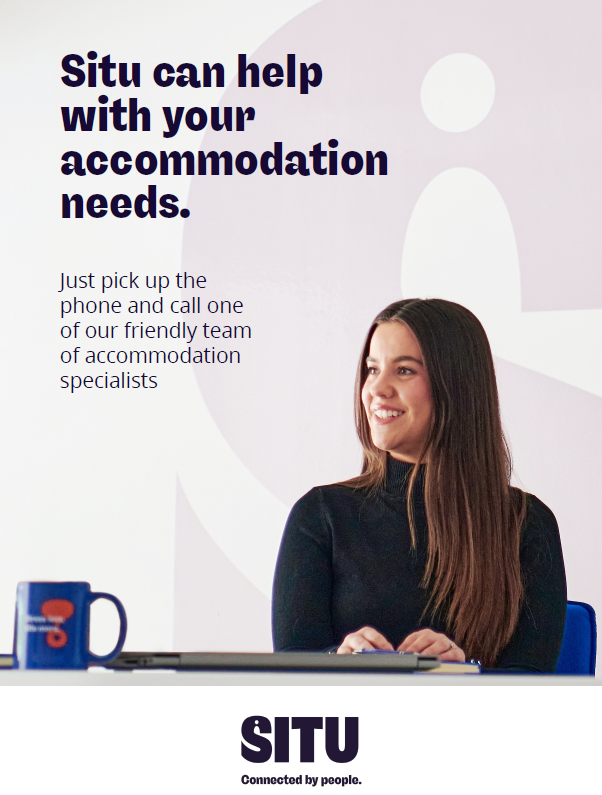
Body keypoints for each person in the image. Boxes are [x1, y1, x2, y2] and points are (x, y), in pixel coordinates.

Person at [272, 299, 567, 671]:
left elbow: (533, 690)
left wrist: (463, 672)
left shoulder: (528, 523)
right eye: (372, 369)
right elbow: (290, 670)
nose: (376, 389)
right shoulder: (319, 515)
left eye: (405, 371)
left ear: (456, 386)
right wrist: (337, 661)